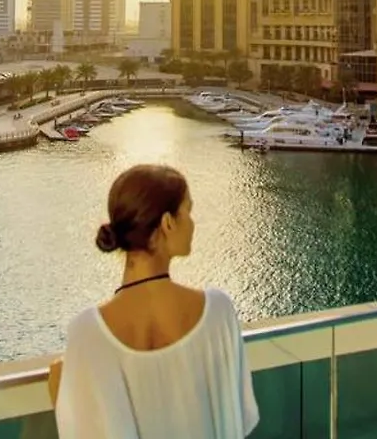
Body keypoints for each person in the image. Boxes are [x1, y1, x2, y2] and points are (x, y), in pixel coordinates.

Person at [50, 164, 257, 438]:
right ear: (168, 223)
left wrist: (59, 386)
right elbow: (238, 418)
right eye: (189, 211)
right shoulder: (218, 313)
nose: (194, 223)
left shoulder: (86, 333)